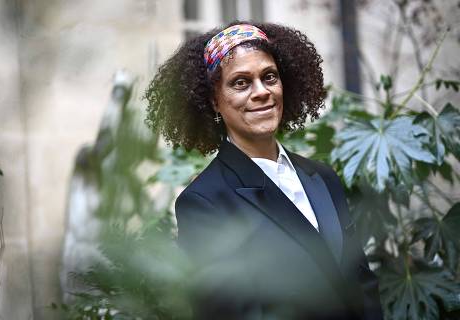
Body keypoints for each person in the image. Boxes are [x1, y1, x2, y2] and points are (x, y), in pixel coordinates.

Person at [145, 21, 383, 320]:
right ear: (214, 101)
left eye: (269, 77)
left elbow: (361, 282)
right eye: (241, 82)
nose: (261, 92)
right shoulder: (204, 202)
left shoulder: (322, 177)